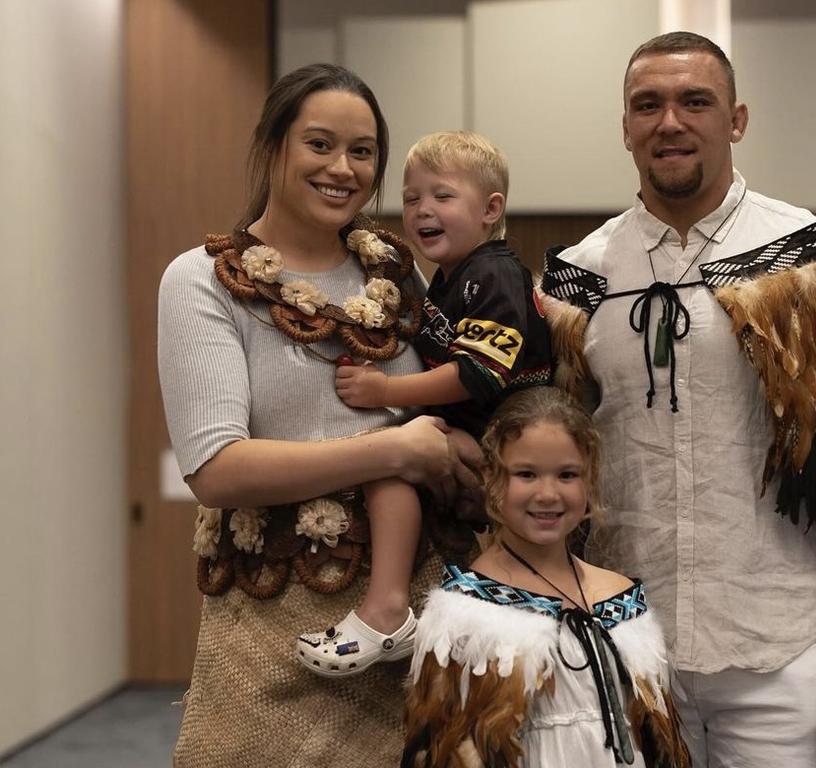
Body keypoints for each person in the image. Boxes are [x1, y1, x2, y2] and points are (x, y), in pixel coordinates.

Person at [539, 32, 816, 768]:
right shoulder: (576, 281)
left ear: (736, 119)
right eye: (647, 105)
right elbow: (551, 469)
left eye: (695, 102)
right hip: (625, 642)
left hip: (779, 647)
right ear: (626, 127)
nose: (670, 121)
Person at [158, 64, 481, 767]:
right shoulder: (203, 281)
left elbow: (451, 394)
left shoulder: (396, 270)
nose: (343, 168)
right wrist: (395, 451)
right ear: (273, 146)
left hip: (417, 616)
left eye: (362, 152)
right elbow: (216, 469)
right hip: (272, 625)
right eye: (320, 145)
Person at [296, 130, 552, 677]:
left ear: (491, 209)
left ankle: (387, 610)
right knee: (390, 459)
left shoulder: (493, 275)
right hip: (480, 430)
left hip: (508, 437)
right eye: (412, 198)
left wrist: (387, 392)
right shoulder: (447, 279)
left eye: (442, 196)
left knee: (390, 461)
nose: (422, 210)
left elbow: (476, 374)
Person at [401, 386, 690, 768]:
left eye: (567, 474)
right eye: (526, 474)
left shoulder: (622, 599)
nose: (548, 494)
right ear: (489, 475)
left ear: (590, 477)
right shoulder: (466, 615)